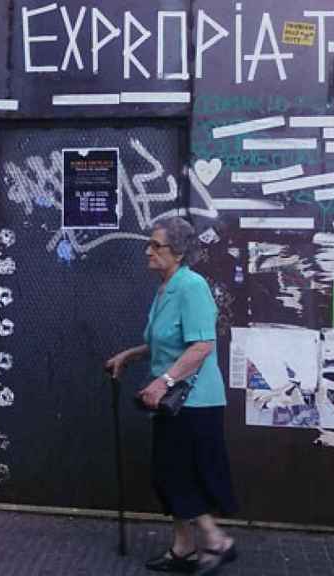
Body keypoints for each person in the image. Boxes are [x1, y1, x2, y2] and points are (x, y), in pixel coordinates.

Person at [106, 217, 238, 575]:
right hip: (173, 400)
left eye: (155, 245)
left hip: (195, 401)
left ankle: (215, 540)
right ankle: (183, 551)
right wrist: (130, 356)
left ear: (177, 252)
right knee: (171, 474)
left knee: (177, 475)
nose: (147, 251)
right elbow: (163, 343)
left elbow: (202, 345)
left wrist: (163, 381)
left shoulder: (191, 286)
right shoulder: (166, 287)